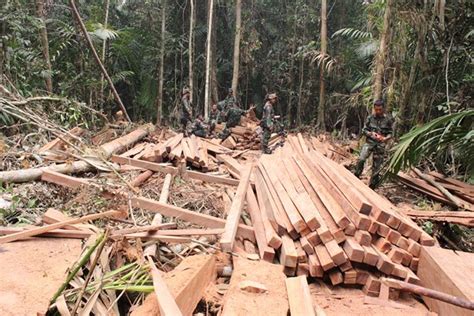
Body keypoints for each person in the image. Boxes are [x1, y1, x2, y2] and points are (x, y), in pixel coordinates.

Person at [354, 99, 394, 188]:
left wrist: (385, 138)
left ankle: (372, 187)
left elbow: (390, 133)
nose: (378, 111)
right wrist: (371, 134)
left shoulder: (388, 119)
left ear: (383, 109)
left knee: (376, 168)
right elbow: (364, 130)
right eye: (376, 109)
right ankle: (356, 177)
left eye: (380, 109)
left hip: (380, 145)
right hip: (369, 143)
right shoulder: (370, 118)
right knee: (361, 159)